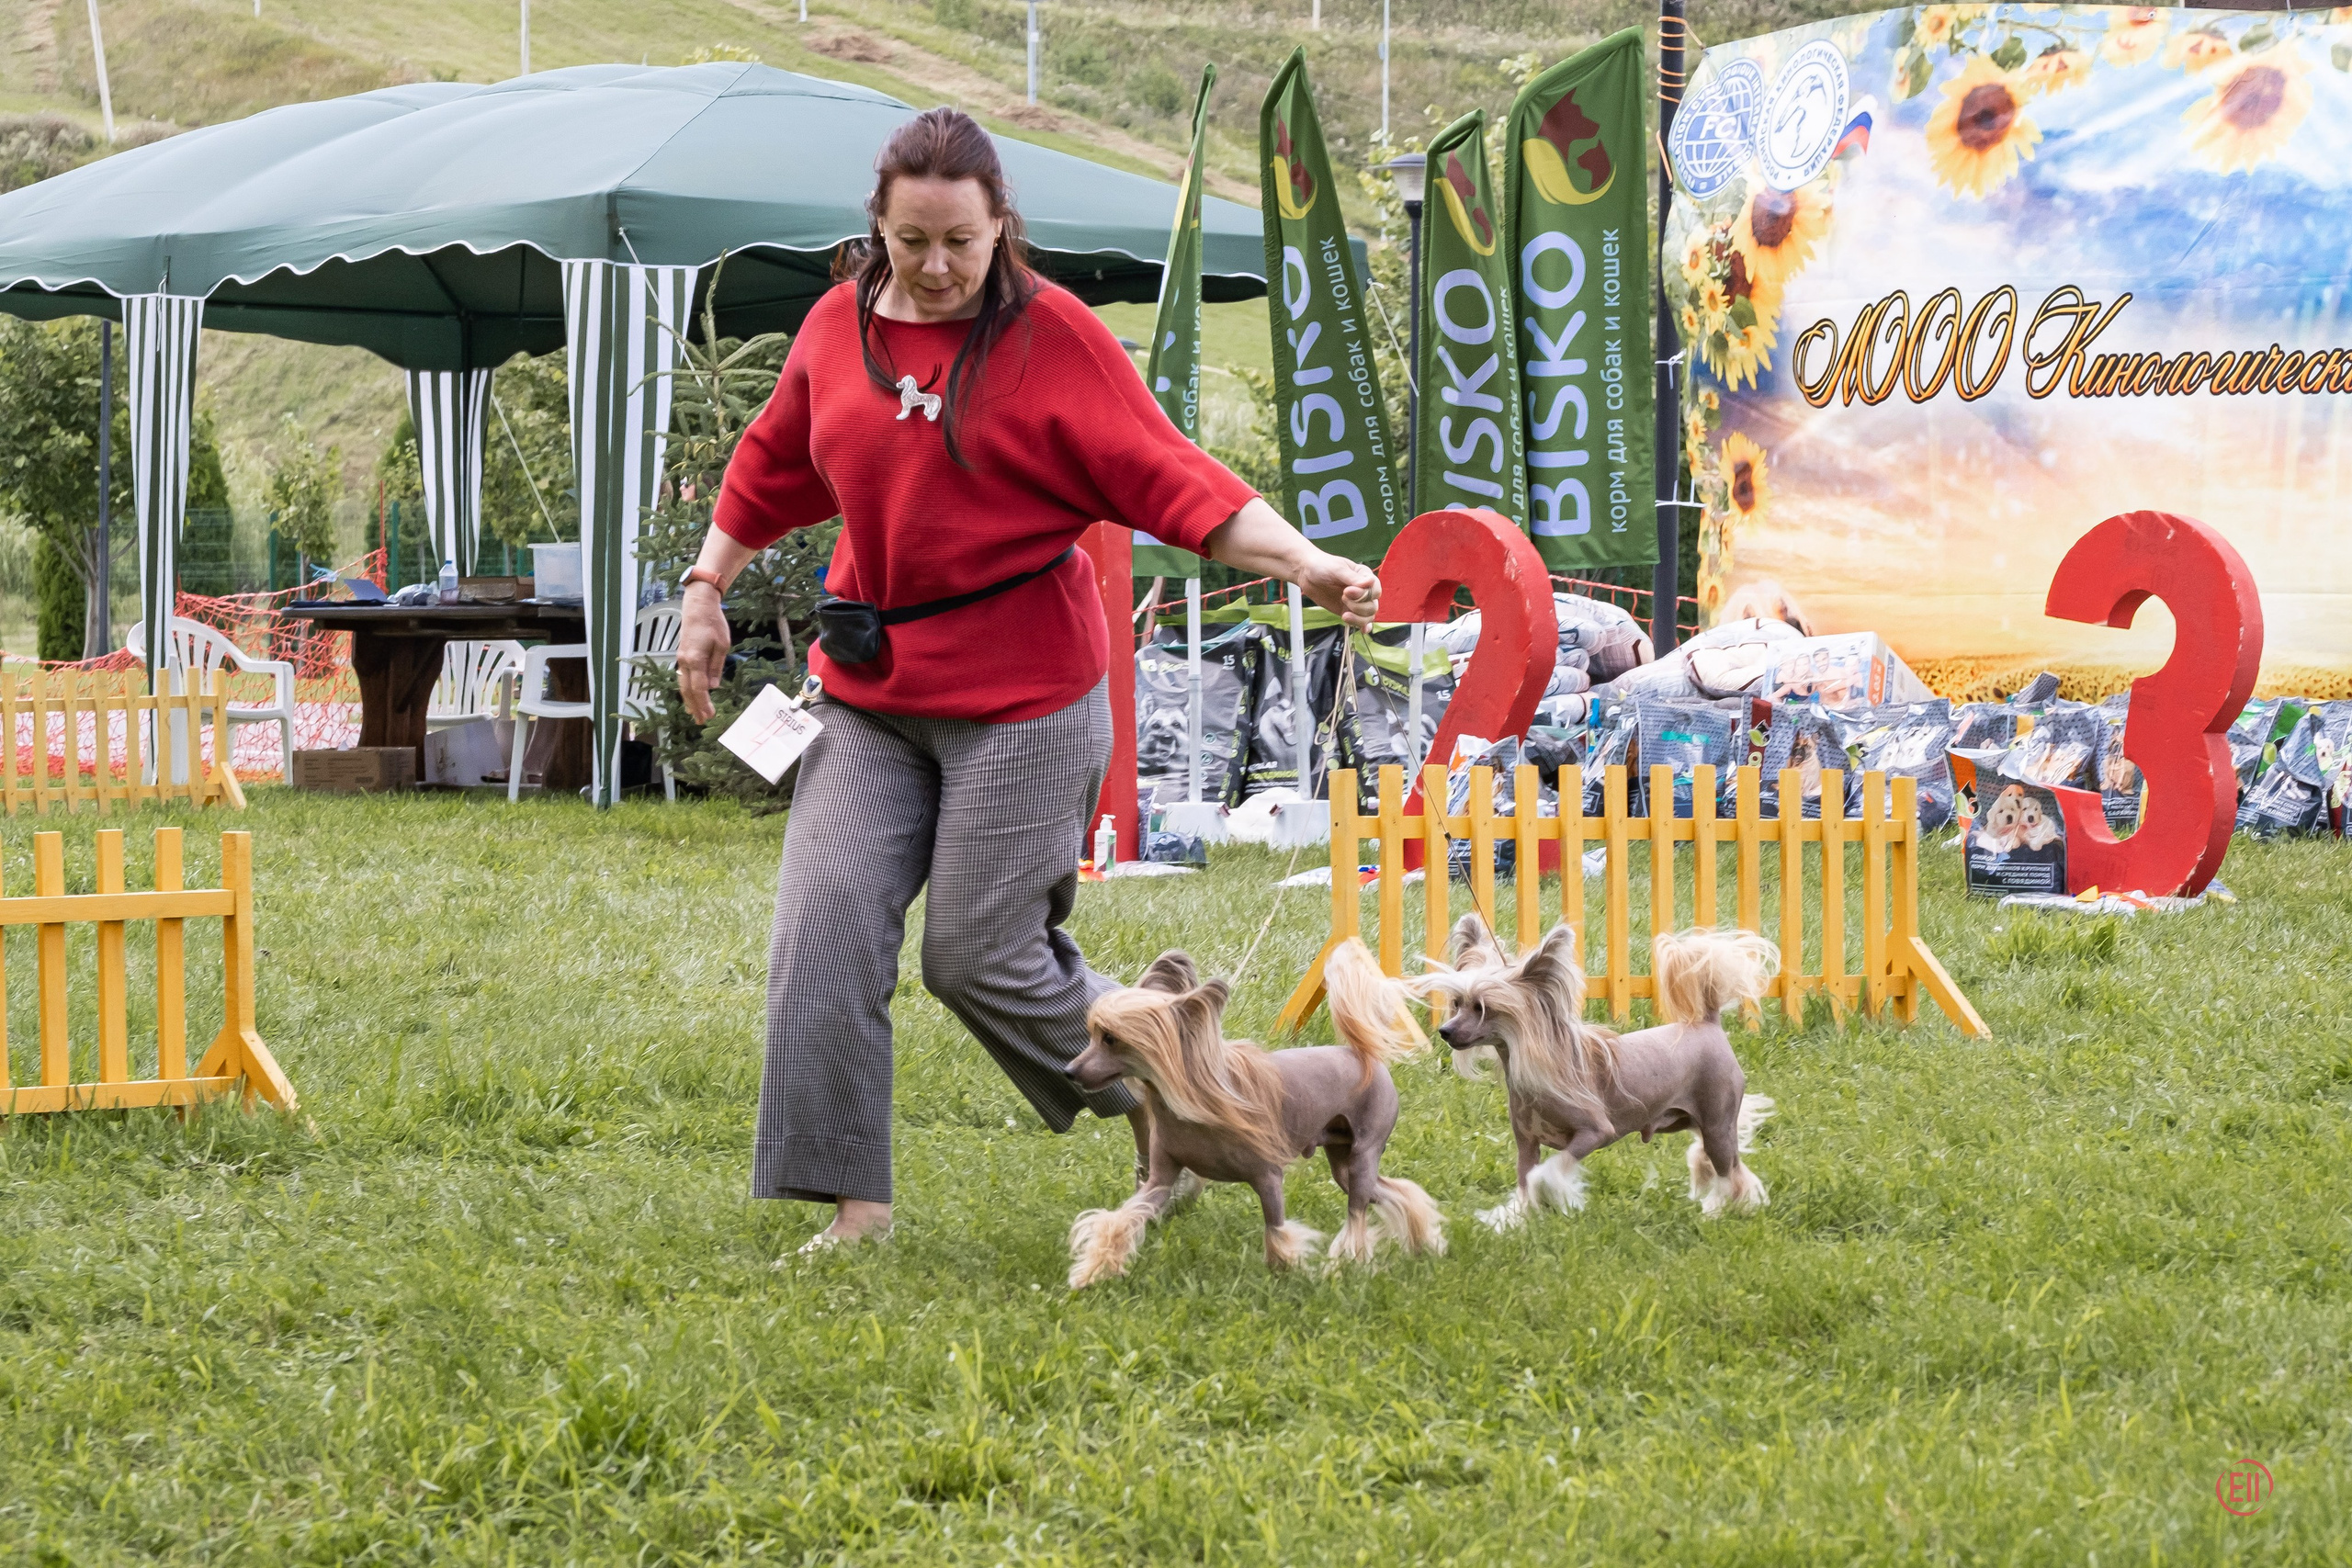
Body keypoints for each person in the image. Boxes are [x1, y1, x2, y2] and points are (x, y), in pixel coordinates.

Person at [674, 107, 1382, 1254]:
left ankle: (1183, 1102)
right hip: (869, 691)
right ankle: (855, 1211)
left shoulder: (1052, 336)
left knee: (979, 958)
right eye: (911, 241)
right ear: (876, 228)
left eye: (961, 240)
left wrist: (1303, 561)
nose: (936, 266)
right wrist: (707, 584)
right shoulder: (836, 324)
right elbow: (772, 461)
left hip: (1024, 700)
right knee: (821, 938)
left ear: (1001, 224)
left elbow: (1170, 474)